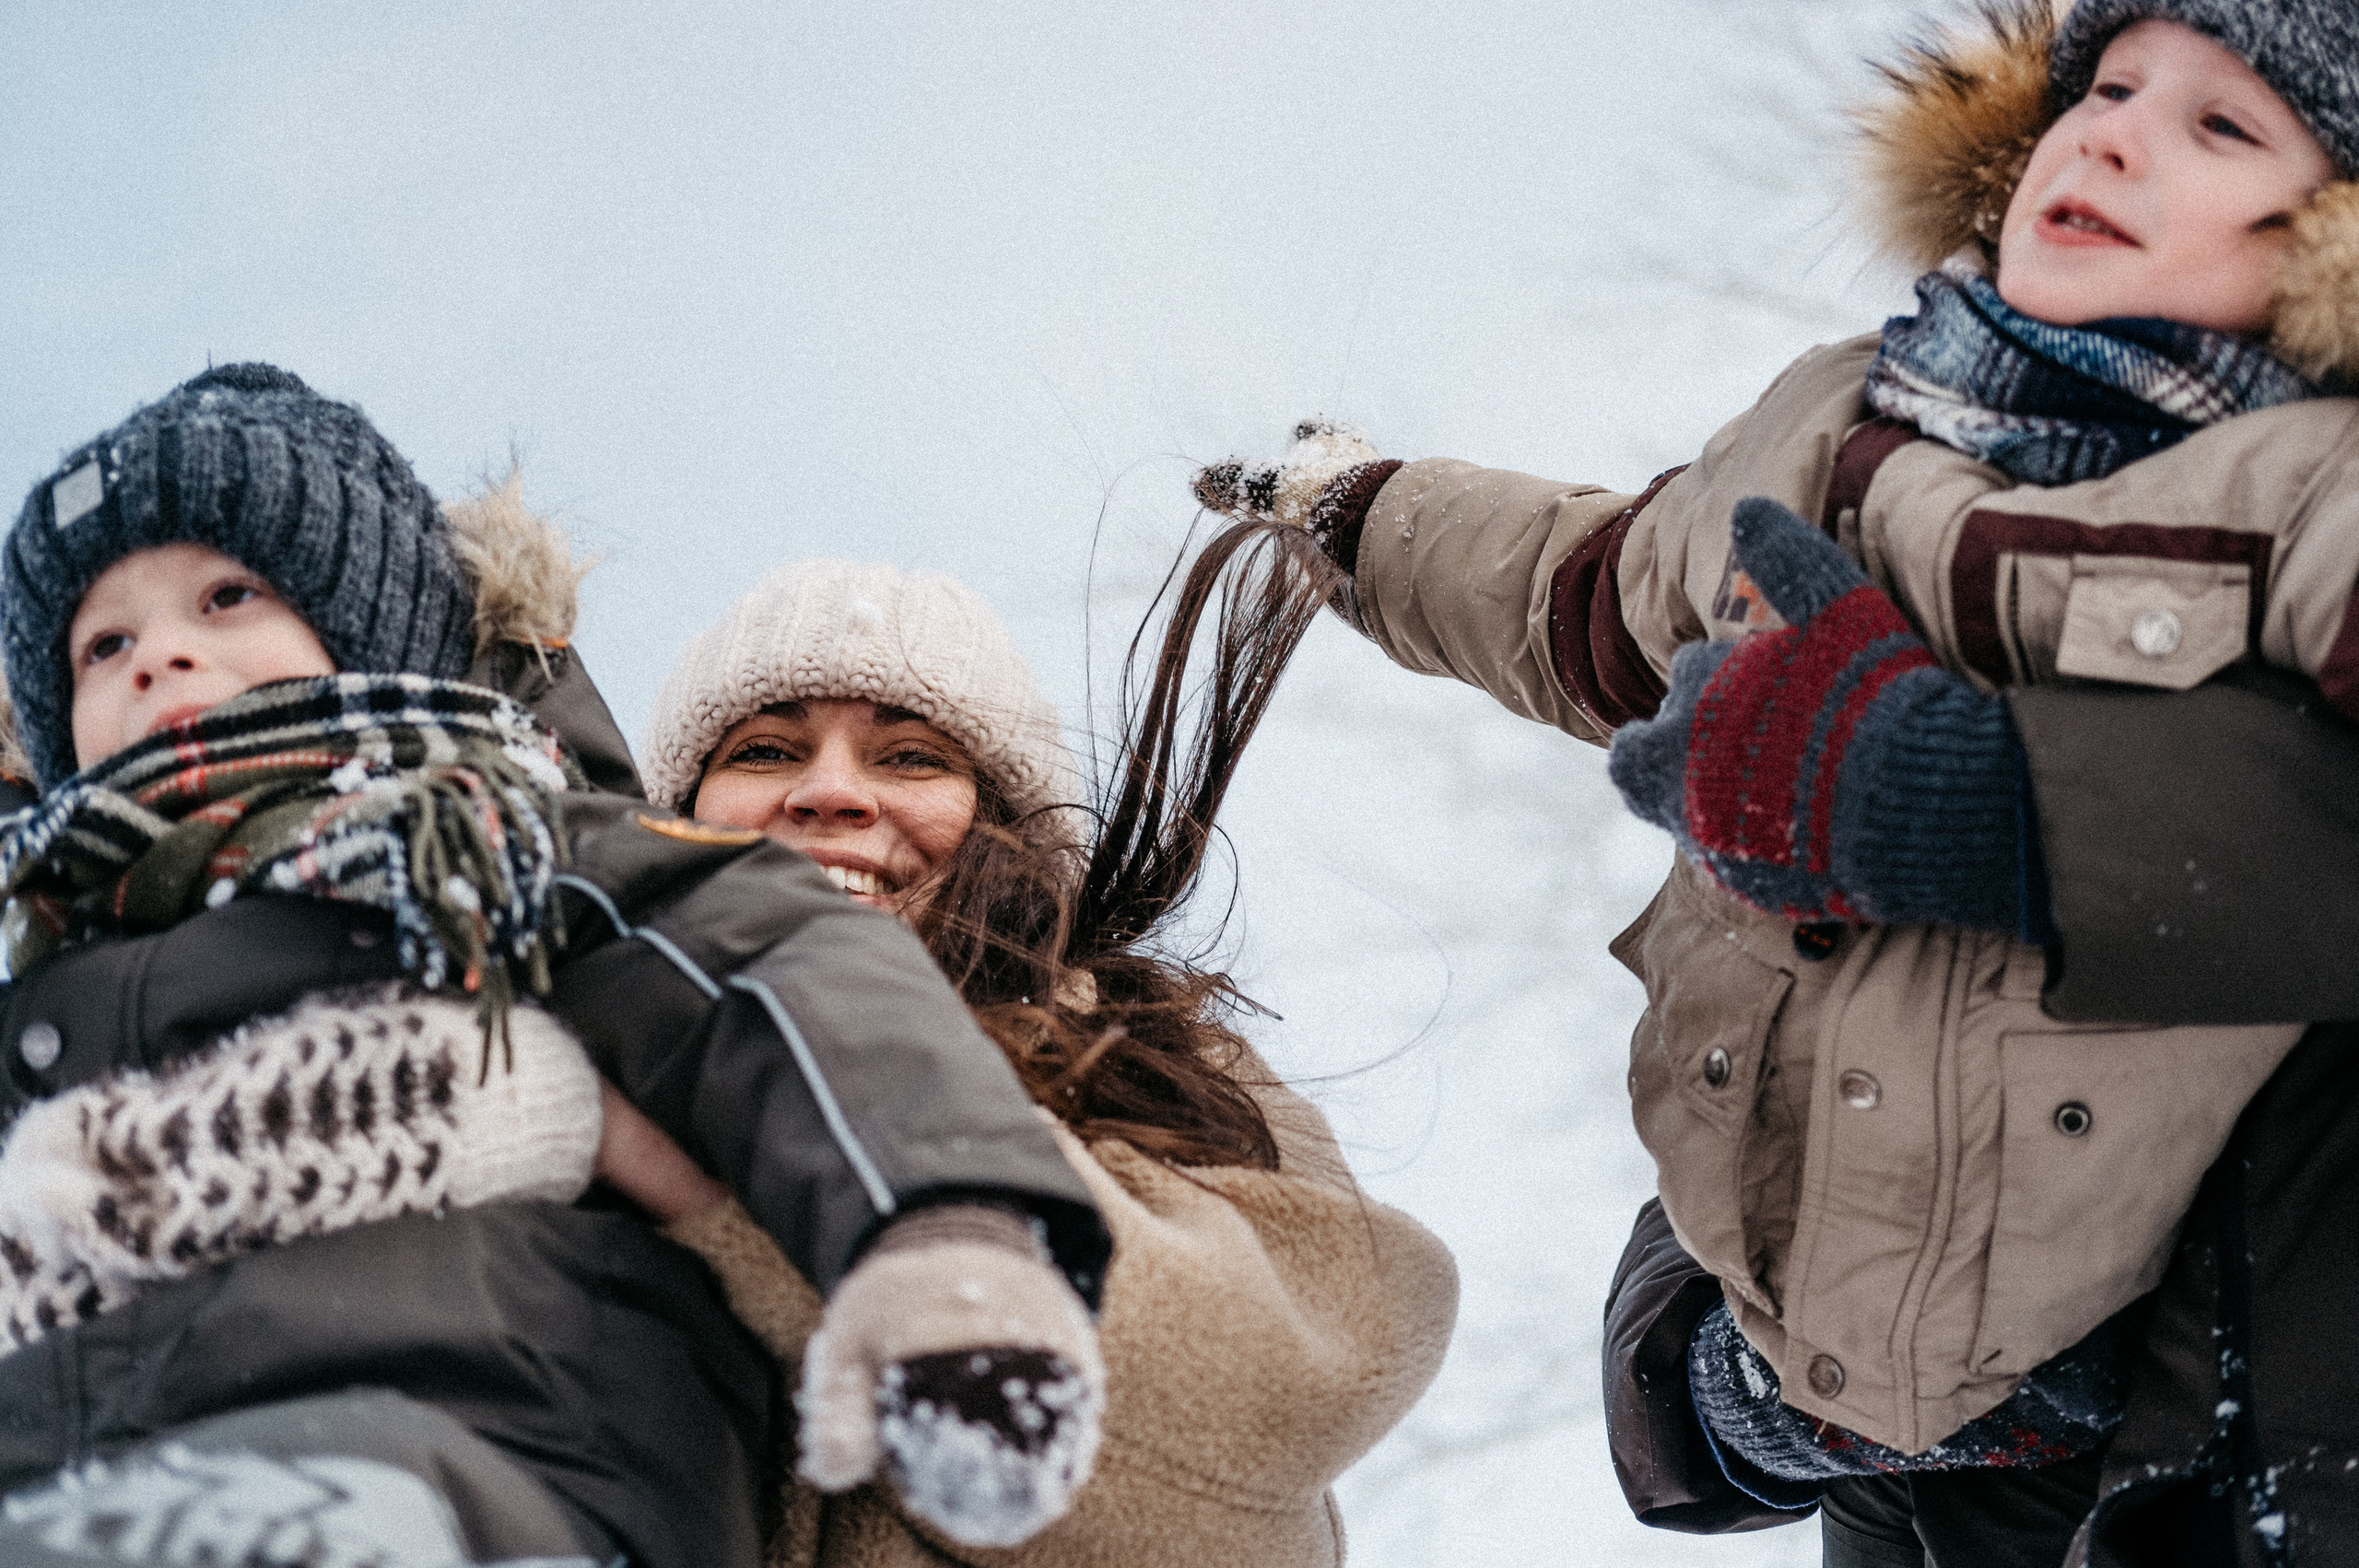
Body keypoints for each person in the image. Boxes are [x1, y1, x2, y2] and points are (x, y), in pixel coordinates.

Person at [1191, 0, 2359, 1551]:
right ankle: (1773, 1390)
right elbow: (1588, 589)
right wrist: (1369, 515)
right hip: (1819, 1348)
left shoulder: (2305, 484)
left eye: (2221, 129)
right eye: (2110, 87)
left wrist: (1964, 791)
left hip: (2132, 1336)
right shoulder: (1828, 421)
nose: (2119, 132)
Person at [0, 366, 1113, 1568]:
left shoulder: (503, 837)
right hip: (78, 1460)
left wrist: (944, 1233)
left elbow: (776, 975)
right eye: (103, 641)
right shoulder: (55, 959)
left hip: (486, 1432)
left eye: (227, 596)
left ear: (366, 620)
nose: (159, 655)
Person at [619, 535, 1459, 1565]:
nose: (829, 792)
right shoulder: (556, 1051)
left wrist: (737, 1177)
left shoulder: (1158, 1063)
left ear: (1002, 826)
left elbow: (1257, 1412)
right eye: (763, 751)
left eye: (910, 756)